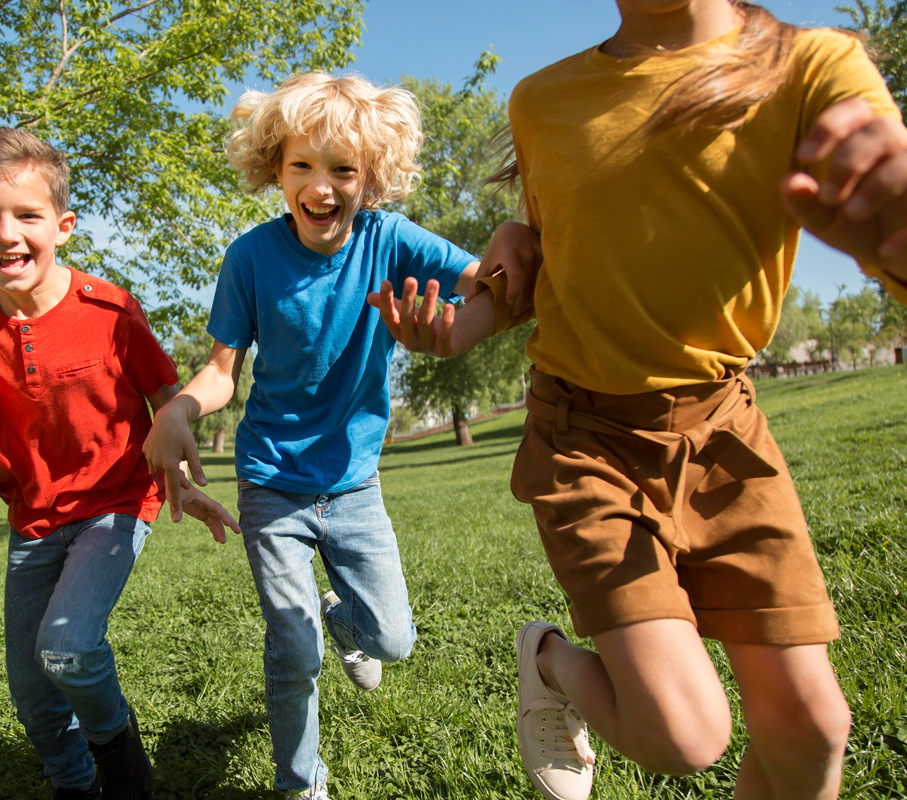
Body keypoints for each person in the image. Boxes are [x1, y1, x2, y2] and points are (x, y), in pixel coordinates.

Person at [370, 3, 907, 800]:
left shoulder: (809, 64)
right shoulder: (542, 100)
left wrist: (887, 227)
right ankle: (548, 659)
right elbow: (549, 259)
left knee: (812, 728)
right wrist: (451, 330)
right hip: (585, 438)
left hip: (726, 434)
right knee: (685, 736)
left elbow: (890, 200)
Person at [142, 72, 482, 800]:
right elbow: (222, 372)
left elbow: (482, 279)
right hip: (271, 482)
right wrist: (178, 410)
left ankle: (343, 617)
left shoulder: (390, 240)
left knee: (393, 641)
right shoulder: (251, 258)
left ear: (373, 178)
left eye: (343, 170)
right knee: (293, 653)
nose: (321, 186)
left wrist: (503, 285)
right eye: (303, 165)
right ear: (275, 167)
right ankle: (301, 782)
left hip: (354, 483)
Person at [0, 126, 238, 800]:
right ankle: (75, 785)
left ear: (63, 225)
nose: (6, 232)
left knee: (68, 647)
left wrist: (183, 485)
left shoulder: (110, 311)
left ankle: (124, 769)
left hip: (117, 502)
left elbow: (168, 401)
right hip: (33, 522)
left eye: (27, 215)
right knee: (33, 694)